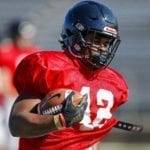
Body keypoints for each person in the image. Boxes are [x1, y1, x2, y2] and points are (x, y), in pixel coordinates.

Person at [9, 1, 128, 150]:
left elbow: (91, 137)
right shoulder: (49, 67)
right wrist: (59, 120)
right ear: (76, 35)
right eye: (97, 40)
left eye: (106, 42)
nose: (102, 48)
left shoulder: (114, 84)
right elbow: (16, 125)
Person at [0, 19, 40, 149]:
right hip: (10, 97)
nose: (25, 40)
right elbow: (3, 78)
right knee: (7, 136)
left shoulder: (34, 51)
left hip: (24, 97)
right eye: (22, 37)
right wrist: (11, 95)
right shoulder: (6, 51)